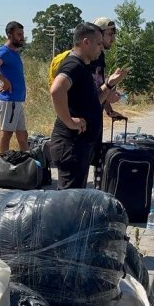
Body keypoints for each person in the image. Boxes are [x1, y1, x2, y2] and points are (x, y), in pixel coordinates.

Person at [49, 23, 124, 189]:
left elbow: (94, 101)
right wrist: (69, 122)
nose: (101, 47)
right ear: (86, 42)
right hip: (70, 144)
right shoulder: (73, 65)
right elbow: (56, 90)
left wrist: (109, 84)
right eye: (98, 43)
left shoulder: (84, 66)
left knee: (76, 196)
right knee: (69, 199)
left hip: (80, 144)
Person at [0, 21, 28, 153]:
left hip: (16, 100)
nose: (22, 37)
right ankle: (2, 162)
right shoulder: (5, 52)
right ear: (9, 35)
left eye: (22, 34)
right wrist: (3, 80)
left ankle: (28, 160)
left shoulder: (14, 52)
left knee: (23, 135)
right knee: (7, 134)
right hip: (9, 100)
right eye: (19, 34)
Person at [91, 17, 127, 121]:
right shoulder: (87, 58)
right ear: (98, 34)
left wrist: (109, 111)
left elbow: (99, 86)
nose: (113, 39)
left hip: (95, 117)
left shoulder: (100, 56)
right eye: (110, 34)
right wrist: (108, 88)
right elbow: (86, 93)